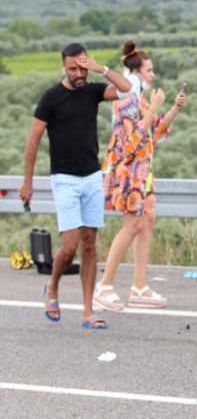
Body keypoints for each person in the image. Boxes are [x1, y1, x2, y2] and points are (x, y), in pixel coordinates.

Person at [19, 43, 133, 330]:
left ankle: (87, 312)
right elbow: (32, 142)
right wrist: (28, 181)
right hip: (65, 179)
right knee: (69, 246)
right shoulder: (51, 98)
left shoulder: (92, 91)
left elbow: (127, 89)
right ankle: (53, 287)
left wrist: (102, 69)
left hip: (92, 176)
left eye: (82, 67)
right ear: (64, 68)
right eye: (73, 68)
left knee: (90, 245)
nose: (79, 73)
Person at [93, 40, 186, 311]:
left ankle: (139, 286)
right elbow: (132, 141)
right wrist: (155, 107)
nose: (152, 74)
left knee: (148, 220)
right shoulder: (124, 102)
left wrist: (174, 110)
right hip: (128, 170)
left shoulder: (140, 101)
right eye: (149, 70)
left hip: (142, 171)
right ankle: (105, 285)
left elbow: (155, 133)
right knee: (133, 224)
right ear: (136, 72)